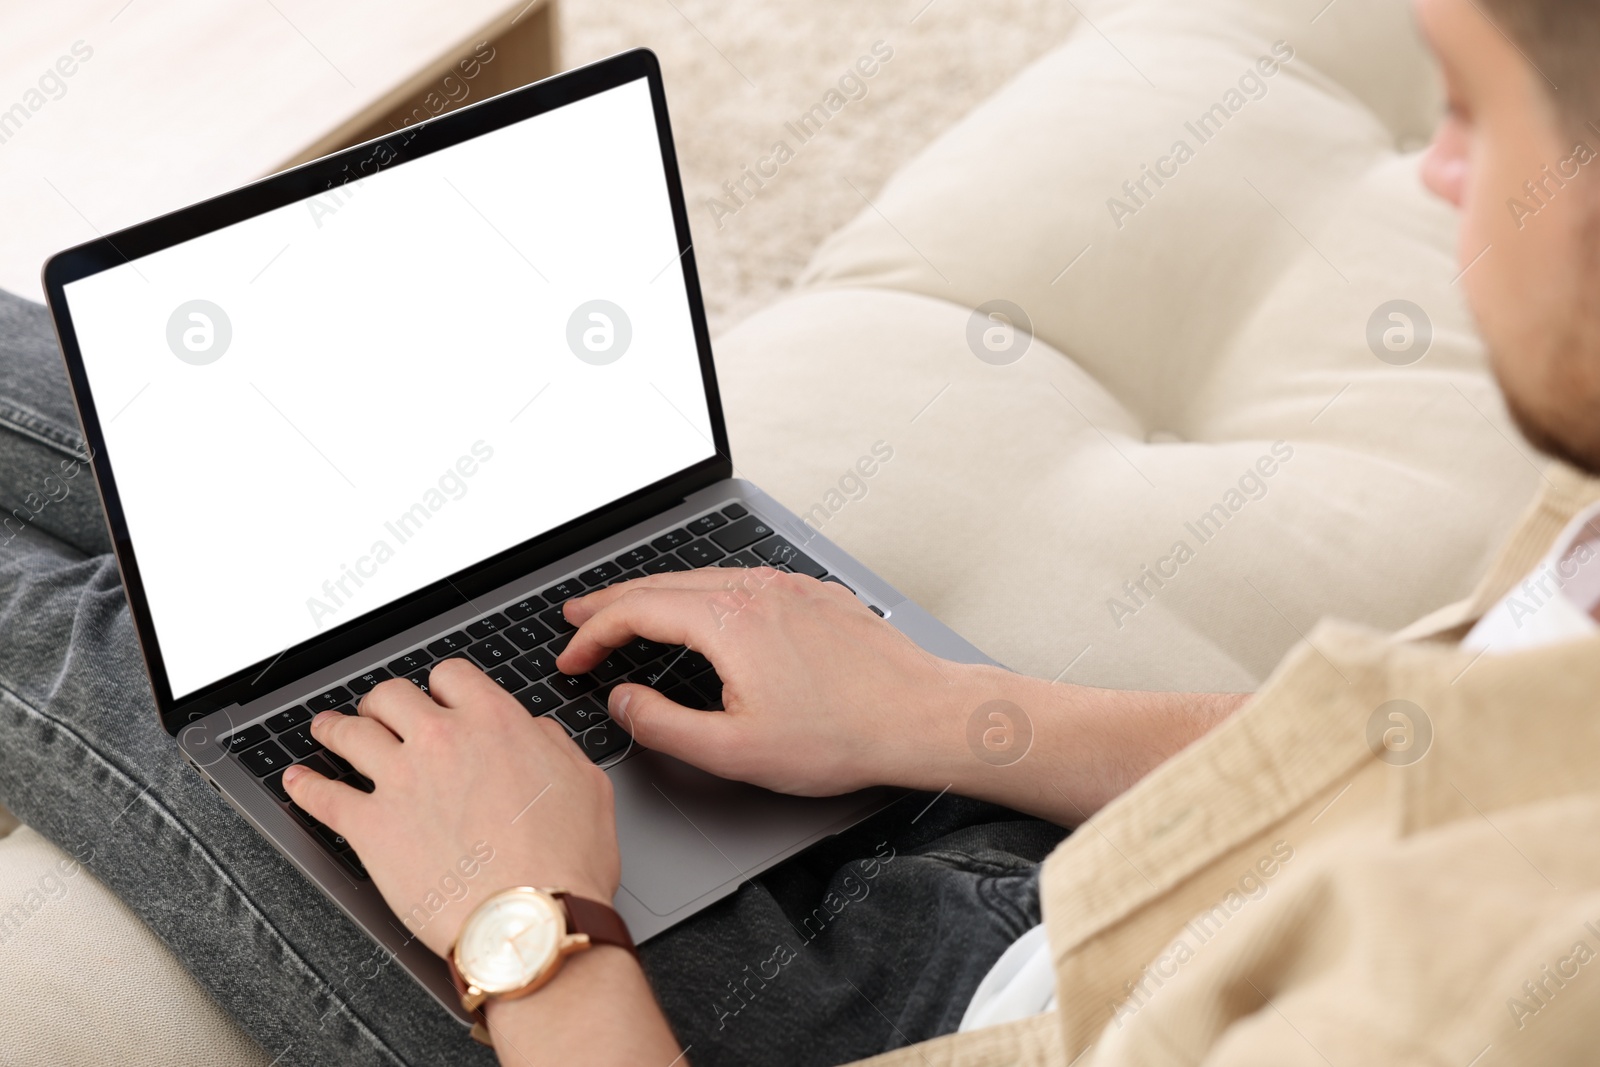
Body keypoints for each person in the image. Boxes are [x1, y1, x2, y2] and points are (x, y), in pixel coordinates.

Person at [1, 0, 1597, 1064]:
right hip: (1081, 880)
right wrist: (951, 713)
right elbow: (1436, 752)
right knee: (329, 534)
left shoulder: (1495, 999)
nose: (1438, 175)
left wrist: (530, 926)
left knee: (119, 654)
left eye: (1473, 111)